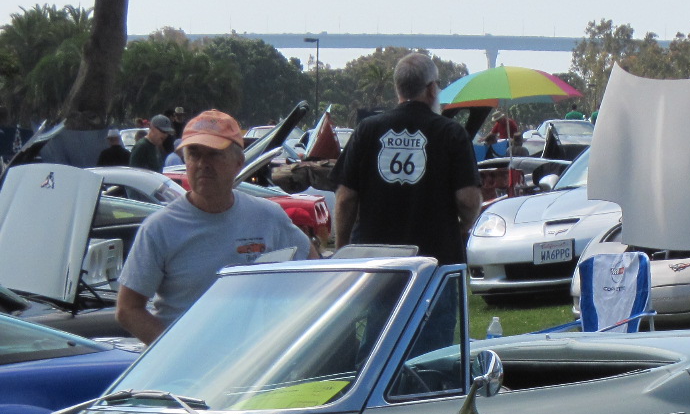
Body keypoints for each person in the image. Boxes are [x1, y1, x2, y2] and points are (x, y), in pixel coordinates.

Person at [116, 110, 310, 344]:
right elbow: (128, 309)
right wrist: (173, 353)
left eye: (213, 155)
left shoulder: (268, 216)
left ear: (238, 163)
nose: (202, 164)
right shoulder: (159, 229)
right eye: (193, 154)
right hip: (188, 375)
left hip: (257, 365)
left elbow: (315, 270)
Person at [335, 52, 481, 264]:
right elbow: (468, 200)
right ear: (431, 89)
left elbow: (345, 198)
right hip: (434, 262)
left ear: (398, 88)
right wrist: (463, 226)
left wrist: (342, 250)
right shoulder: (452, 133)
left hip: (373, 263)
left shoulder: (367, 129)